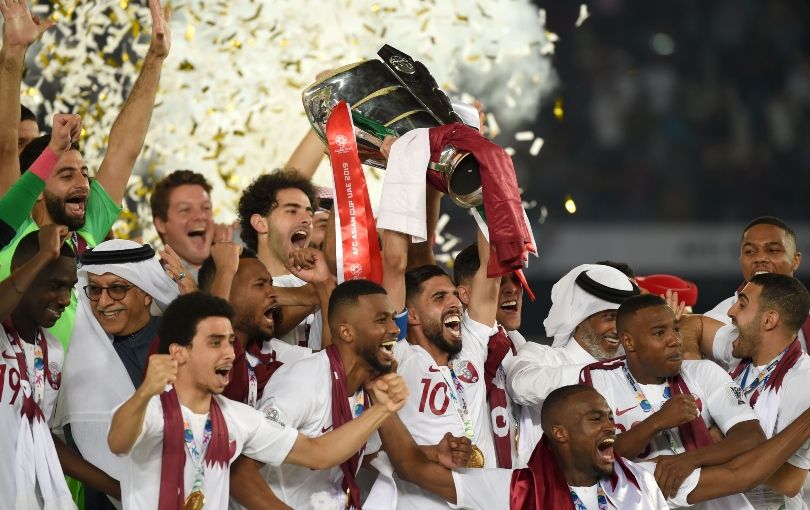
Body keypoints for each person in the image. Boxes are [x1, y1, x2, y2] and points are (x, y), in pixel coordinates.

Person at [107, 291, 409, 509]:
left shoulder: (237, 418)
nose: (228, 353)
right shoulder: (152, 409)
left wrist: (382, 409)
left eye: (229, 341)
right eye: (215, 343)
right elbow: (118, 441)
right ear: (178, 353)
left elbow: (318, 453)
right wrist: (145, 391)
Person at [0, 0, 173, 349]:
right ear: (34, 187)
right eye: (65, 175)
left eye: (84, 172)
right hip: (19, 391)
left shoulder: (89, 229)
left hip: (87, 395)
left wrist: (155, 59)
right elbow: (4, 146)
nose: (83, 183)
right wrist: (14, 51)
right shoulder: (12, 226)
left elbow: (125, 149)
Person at [379, 384, 810, 509]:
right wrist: (383, 407)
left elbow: (743, 475)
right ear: (560, 434)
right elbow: (411, 467)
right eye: (596, 418)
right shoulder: (513, 492)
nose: (611, 424)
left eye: (609, 414)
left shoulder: (648, 481)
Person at [580, 294, 764, 508]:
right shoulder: (601, 381)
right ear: (628, 341)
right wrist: (657, 422)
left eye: (676, 329)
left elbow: (752, 438)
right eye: (659, 333)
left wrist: (690, 460)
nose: (675, 340)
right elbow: (595, 460)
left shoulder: (703, 373)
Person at [229, 279, 401, 508]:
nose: (395, 329)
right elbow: (240, 471)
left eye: (393, 318)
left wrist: (433, 453)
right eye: (382, 320)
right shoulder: (302, 381)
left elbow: (357, 452)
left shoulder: (369, 385)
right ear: (346, 332)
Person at [54, 239, 180, 508]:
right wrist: (127, 492)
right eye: (95, 290)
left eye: (117, 289)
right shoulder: (81, 356)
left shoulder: (178, 342)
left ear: (147, 292)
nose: (103, 302)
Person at [1, 229, 120, 508]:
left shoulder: (52, 349)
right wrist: (43, 255)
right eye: (54, 285)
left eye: (69, 287)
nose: (66, 299)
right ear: (24, 273)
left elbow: (43, 435)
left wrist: (119, 489)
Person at [504, 263, 639, 466]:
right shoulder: (542, 356)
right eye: (610, 317)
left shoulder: (631, 371)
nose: (617, 329)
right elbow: (520, 386)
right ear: (580, 316)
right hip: (547, 494)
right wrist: (605, 375)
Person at [720, 273, 810, 508]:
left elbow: (790, 481)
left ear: (769, 320)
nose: (731, 312)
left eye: (742, 304)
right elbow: (696, 329)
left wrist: (717, 443)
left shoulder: (803, 379)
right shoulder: (737, 359)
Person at [198, 242, 314, 406]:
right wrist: (225, 270)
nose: (273, 293)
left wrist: (323, 286)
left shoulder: (265, 356)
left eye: (270, 284)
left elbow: (332, 365)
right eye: (260, 285)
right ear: (226, 292)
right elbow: (213, 341)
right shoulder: (189, 352)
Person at [453, 238, 528, 469]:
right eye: (499, 280)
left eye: (516, 279)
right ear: (465, 295)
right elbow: (488, 263)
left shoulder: (516, 343)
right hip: (474, 485)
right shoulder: (462, 340)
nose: (511, 288)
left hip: (512, 488)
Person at [237, 169, 324, 349]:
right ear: (260, 223)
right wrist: (321, 289)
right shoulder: (236, 284)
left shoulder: (323, 278)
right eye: (292, 211)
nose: (307, 220)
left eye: (309, 213)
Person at [704, 217, 807, 350]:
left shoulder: (806, 314)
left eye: (773, 250)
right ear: (741, 261)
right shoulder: (717, 321)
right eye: (750, 252)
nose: (760, 258)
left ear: (795, 260)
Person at [149, 169, 216, 281]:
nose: (200, 216)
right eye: (185, 210)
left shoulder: (238, 266)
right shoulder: (152, 289)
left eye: (206, 208)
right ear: (161, 224)